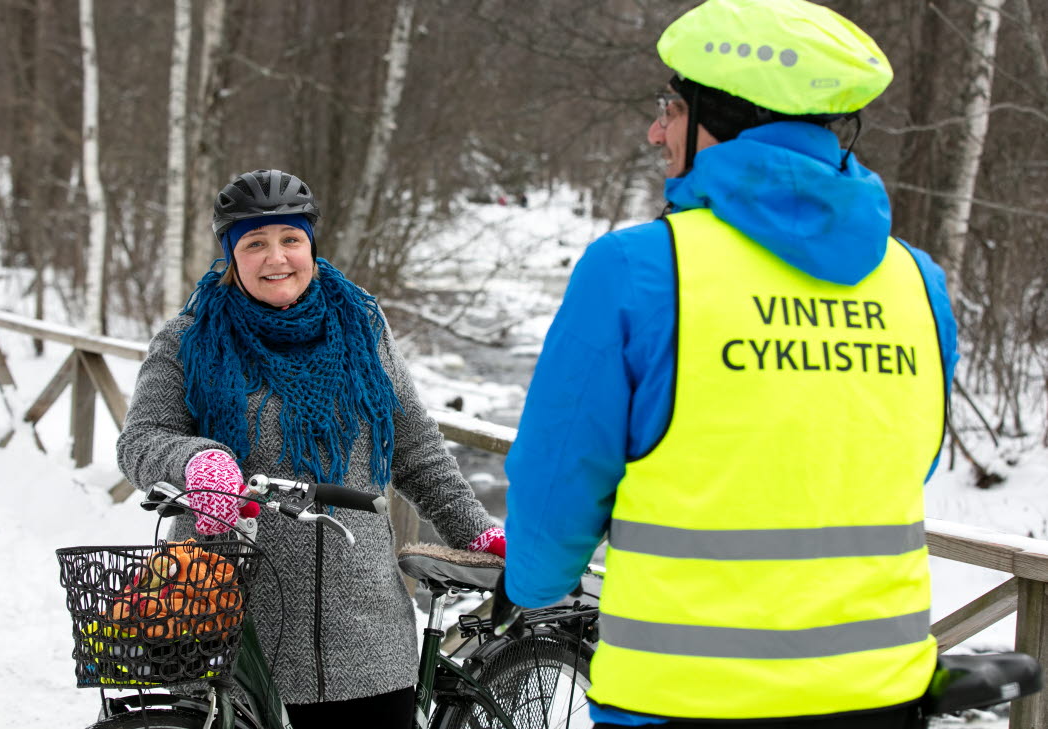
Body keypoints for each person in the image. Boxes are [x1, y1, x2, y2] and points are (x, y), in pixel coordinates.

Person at [496, 1, 959, 727]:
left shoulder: (639, 269)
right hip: (880, 690)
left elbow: (558, 482)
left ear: (719, 119)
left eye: (672, 108)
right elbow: (906, 458)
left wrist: (531, 584)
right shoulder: (918, 282)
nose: (657, 129)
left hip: (684, 697)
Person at [117, 168, 505, 729]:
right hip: (234, 624)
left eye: (290, 239)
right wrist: (196, 462)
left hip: (364, 634)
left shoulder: (361, 326)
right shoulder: (189, 338)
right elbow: (143, 438)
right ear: (230, 255)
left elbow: (415, 448)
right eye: (255, 243)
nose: (277, 257)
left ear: (310, 245)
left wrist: (474, 528)